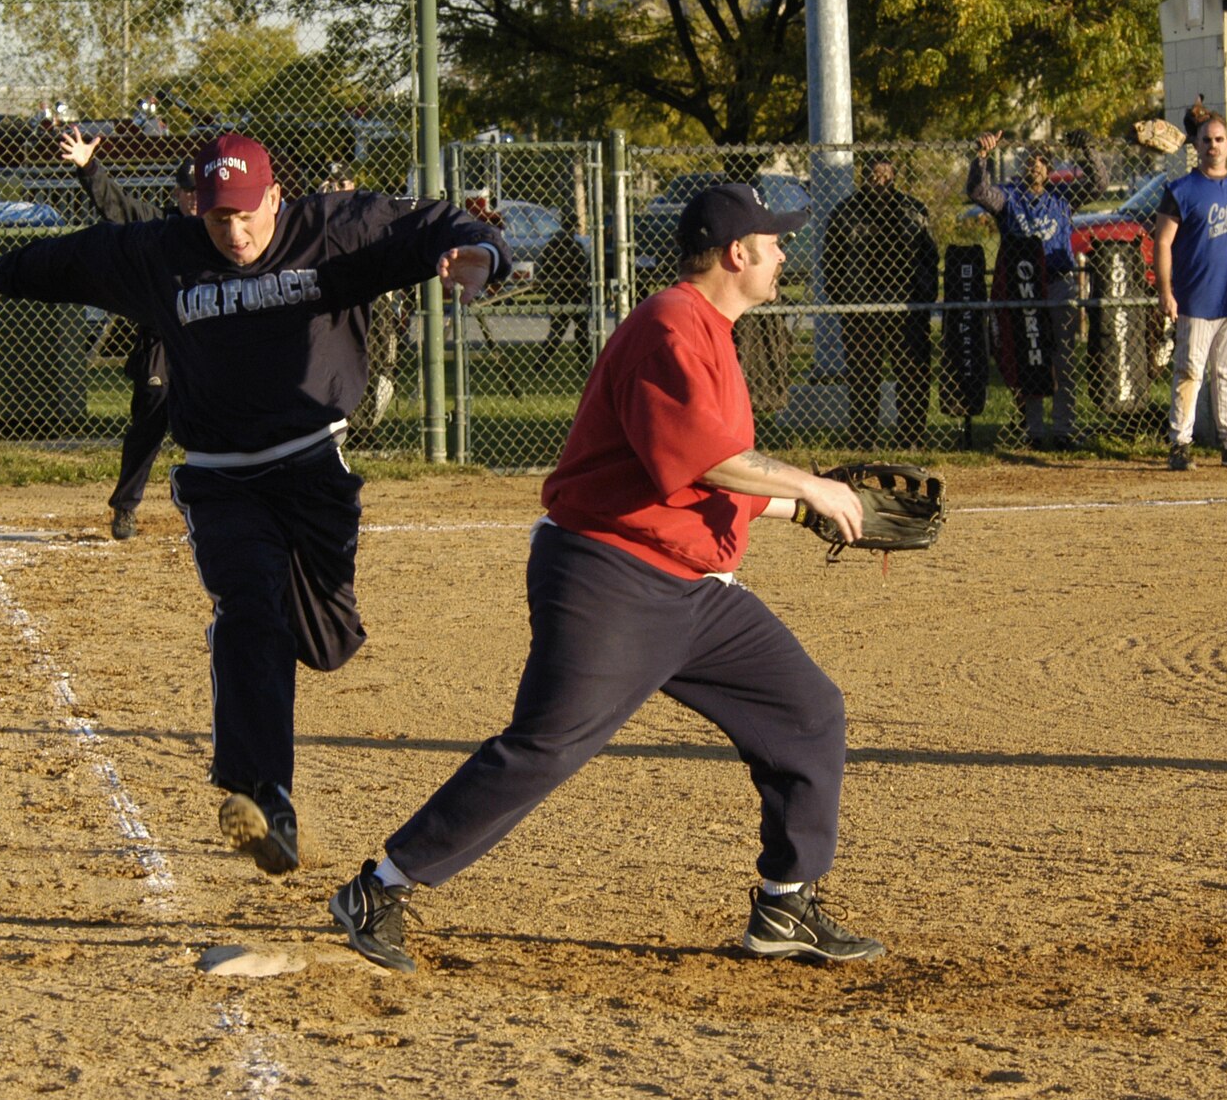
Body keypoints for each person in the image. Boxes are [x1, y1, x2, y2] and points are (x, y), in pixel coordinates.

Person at [328, 182, 886, 975]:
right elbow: (698, 457)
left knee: (805, 711)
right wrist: (812, 485)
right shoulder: (670, 326)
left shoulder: (712, 332)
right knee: (548, 744)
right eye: (775, 241)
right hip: (612, 577)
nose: (784, 254)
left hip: (696, 590)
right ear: (738, 253)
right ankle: (380, 887)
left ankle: (786, 902)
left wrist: (797, 513)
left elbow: (691, 478)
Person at [0, 133, 507, 874]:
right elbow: (77, 259)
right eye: (216, 219)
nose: (233, 233)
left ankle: (279, 722)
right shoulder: (163, 252)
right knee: (251, 609)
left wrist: (482, 254)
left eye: (245, 215)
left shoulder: (333, 231)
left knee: (329, 643)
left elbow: (434, 223)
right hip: (221, 478)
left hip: (313, 473)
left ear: (274, 199)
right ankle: (264, 798)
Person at [59, 126, 198, 539]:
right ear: (176, 194)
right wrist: (89, 168)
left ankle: (229, 500)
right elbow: (117, 208)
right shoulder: (158, 227)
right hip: (161, 339)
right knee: (152, 409)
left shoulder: (222, 231)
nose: (193, 198)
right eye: (186, 190)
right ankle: (124, 508)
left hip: (209, 340)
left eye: (200, 190)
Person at [1152, 111, 1227, 470]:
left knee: (1226, 373)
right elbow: (1162, 243)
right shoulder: (1181, 191)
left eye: (1219, 139)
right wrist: (1166, 291)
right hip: (1196, 298)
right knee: (1189, 372)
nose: (1213, 146)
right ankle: (1180, 444)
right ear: (1196, 145)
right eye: (1206, 140)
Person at [966, 134, 1086, 448]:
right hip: (1024, 286)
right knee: (1031, 356)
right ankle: (1035, 431)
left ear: (1049, 168)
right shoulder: (1010, 197)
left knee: (1063, 359)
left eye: (1042, 161)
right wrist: (982, 157)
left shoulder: (1061, 197)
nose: (1035, 166)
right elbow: (979, 191)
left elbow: (1097, 184)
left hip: (1058, 282)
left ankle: (1063, 431)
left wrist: (1087, 150)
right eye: (1030, 160)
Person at [822, 153, 937, 447]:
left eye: (885, 176)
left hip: (906, 306)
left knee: (912, 373)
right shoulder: (846, 212)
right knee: (863, 377)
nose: (879, 182)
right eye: (873, 176)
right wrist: (844, 301)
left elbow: (929, 256)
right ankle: (863, 438)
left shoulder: (912, 210)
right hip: (863, 306)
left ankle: (910, 437)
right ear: (863, 177)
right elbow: (831, 262)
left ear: (894, 175)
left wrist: (924, 297)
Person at [533, 210, 593, 370]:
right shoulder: (575, 245)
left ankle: (541, 363)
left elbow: (543, 268)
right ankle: (583, 363)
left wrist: (549, 284)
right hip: (574, 292)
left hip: (559, 292)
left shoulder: (552, 244)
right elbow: (582, 269)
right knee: (580, 332)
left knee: (558, 332)